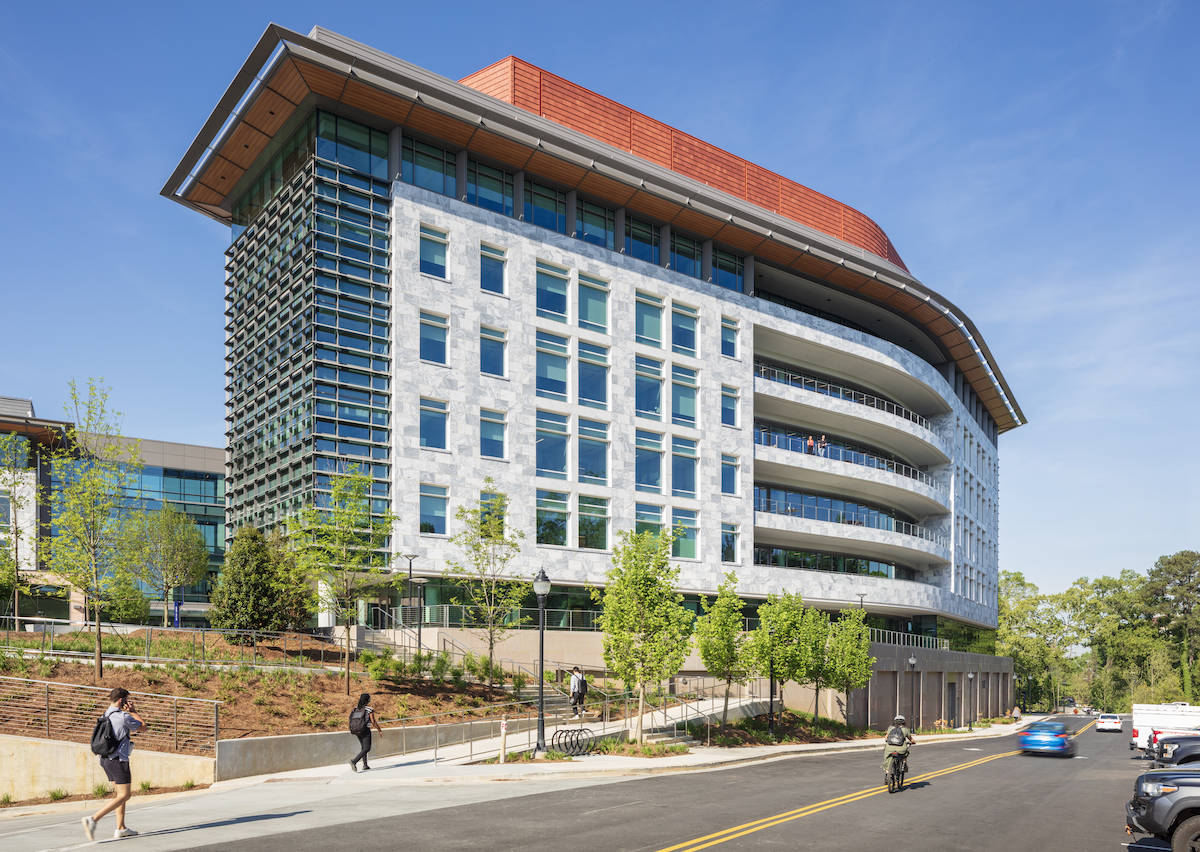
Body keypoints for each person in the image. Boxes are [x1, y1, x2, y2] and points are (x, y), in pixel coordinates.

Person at [81, 687, 148, 841]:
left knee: (120, 795)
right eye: (127, 700)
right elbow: (144, 727)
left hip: (105, 760)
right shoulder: (123, 716)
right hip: (118, 760)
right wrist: (134, 711)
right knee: (125, 795)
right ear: (121, 701)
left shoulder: (105, 714)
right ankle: (93, 820)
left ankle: (121, 828)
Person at [348, 692, 382, 772]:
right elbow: (373, 722)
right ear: (368, 700)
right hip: (365, 730)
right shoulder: (369, 709)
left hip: (357, 730)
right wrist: (379, 730)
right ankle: (354, 761)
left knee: (363, 747)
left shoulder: (355, 709)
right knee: (367, 748)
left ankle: (365, 765)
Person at [881, 714, 915, 780]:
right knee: (906, 753)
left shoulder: (890, 728)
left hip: (889, 748)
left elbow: (886, 738)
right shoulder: (905, 729)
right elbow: (911, 739)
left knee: (887, 759)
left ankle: (887, 776)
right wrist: (913, 742)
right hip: (901, 748)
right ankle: (903, 764)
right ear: (904, 722)